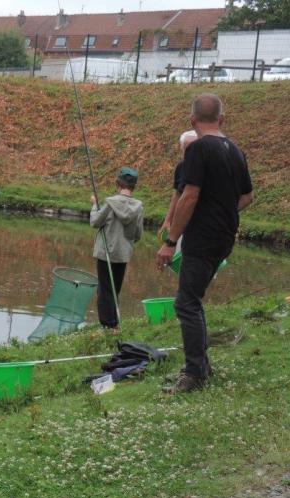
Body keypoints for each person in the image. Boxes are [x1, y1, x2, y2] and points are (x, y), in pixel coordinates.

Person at [156, 94, 253, 393]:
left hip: (202, 237)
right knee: (193, 299)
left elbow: (190, 195)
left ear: (192, 121)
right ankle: (201, 366)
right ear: (222, 119)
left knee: (185, 302)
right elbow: (247, 197)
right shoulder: (236, 151)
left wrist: (171, 241)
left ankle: (195, 373)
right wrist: (222, 213)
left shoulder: (198, 149)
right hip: (224, 237)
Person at [89, 167, 144, 330]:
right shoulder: (138, 207)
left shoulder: (110, 203)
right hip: (123, 253)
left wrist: (94, 205)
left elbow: (95, 222)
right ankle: (113, 323)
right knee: (115, 288)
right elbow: (138, 234)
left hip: (105, 253)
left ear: (117, 183)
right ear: (134, 186)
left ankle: (108, 324)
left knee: (105, 288)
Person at [158, 130, 198, 244]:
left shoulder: (206, 168)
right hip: (180, 223)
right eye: (186, 148)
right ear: (182, 149)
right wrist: (167, 221)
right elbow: (177, 195)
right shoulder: (181, 167)